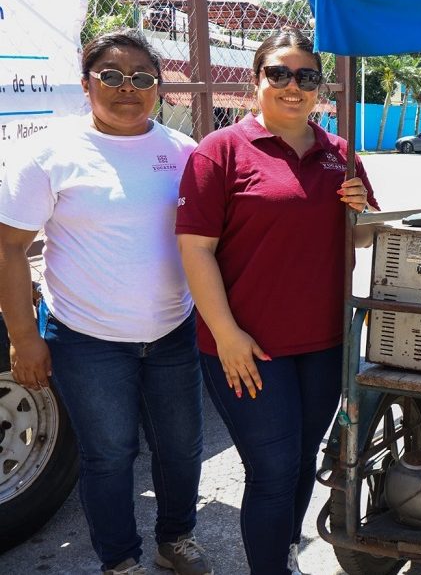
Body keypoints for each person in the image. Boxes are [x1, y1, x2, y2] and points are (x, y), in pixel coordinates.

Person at [0, 30, 211, 575]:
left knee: (181, 448)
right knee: (110, 455)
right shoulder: (51, 154)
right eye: (111, 76)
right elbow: (10, 248)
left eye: (142, 78)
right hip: (86, 340)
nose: (127, 88)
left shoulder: (183, 152)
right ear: (86, 83)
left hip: (171, 334)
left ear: (159, 89)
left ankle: (176, 540)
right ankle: (120, 560)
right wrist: (24, 338)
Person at [175, 28, 378, 575]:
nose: (294, 86)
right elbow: (195, 249)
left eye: (306, 77)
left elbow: (360, 237)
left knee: (300, 462)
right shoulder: (219, 151)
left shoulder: (340, 152)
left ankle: (283, 555)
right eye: (279, 74)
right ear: (257, 80)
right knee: (271, 469)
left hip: (324, 340)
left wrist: (358, 212)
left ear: (320, 88)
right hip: (247, 345)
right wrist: (226, 334)